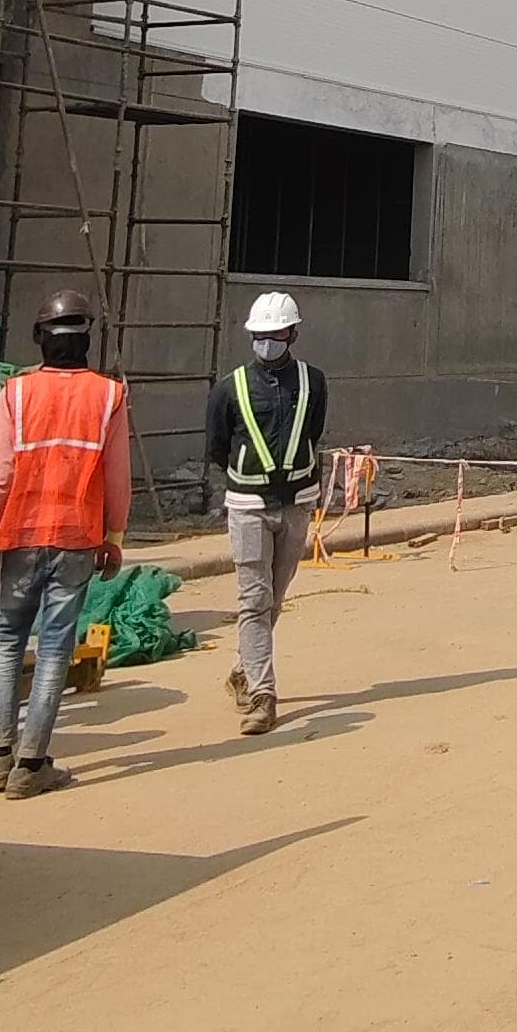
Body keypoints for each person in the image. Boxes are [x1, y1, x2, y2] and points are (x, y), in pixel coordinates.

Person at [0, 290, 128, 800]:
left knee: (6, 641)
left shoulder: (16, 394)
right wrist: (114, 537)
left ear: (39, 338)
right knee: (55, 648)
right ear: (87, 339)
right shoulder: (108, 395)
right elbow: (117, 479)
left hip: (17, 535)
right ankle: (32, 763)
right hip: (76, 539)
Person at [205, 290, 326, 737]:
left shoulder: (314, 382)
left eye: (275, 335)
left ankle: (243, 667)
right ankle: (262, 695)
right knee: (254, 600)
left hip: (296, 503)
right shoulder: (230, 388)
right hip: (249, 506)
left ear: (292, 333)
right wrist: (249, 475)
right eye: (260, 336)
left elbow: (313, 433)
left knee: (273, 598)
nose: (268, 343)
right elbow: (217, 446)